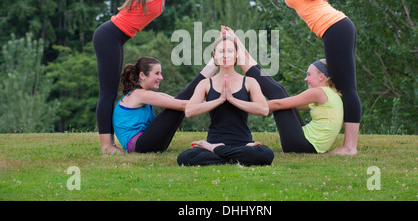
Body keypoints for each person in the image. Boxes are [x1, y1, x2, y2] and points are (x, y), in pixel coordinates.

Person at [212, 0, 360, 155]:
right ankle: (344, 143)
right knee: (343, 86)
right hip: (336, 28)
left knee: (347, 88)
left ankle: (350, 147)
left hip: (335, 27)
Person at [93, 0, 216, 153]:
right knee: (108, 92)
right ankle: (106, 146)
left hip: (117, 38)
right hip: (108, 35)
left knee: (110, 91)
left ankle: (112, 142)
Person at [223, 27, 343, 154]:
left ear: (321, 76)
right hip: (305, 143)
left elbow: (278, 104)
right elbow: (289, 105)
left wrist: (242, 107)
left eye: (308, 74)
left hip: (302, 146)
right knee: (281, 92)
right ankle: (236, 42)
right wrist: (235, 39)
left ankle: (235, 47)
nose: (305, 79)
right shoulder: (330, 94)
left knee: (278, 94)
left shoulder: (319, 92)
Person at [177, 34, 274, 166]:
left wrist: (232, 100)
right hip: (216, 141)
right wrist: (219, 100)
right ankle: (232, 156)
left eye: (229, 51)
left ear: (236, 55)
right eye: (221, 51)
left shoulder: (249, 82)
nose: (225, 55)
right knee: (185, 157)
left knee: (266, 154)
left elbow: (264, 109)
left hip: (242, 143)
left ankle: (219, 152)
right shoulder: (205, 84)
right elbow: (189, 111)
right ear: (214, 54)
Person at [113, 56, 218, 153]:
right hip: (140, 145)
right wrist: (218, 103)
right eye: (157, 73)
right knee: (181, 100)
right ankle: (216, 60)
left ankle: (216, 61)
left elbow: (179, 100)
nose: (161, 77)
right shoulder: (139, 94)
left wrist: (210, 102)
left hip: (147, 144)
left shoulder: (144, 94)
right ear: (142, 75)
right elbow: (183, 105)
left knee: (182, 97)